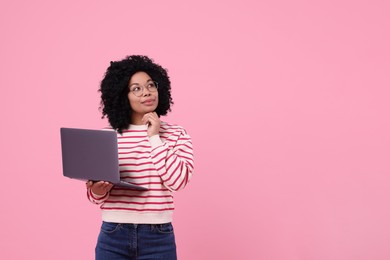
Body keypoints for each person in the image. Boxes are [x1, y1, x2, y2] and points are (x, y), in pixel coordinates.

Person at [86, 55, 194, 260]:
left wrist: (154, 137)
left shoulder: (176, 134)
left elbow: (178, 181)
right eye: (136, 88)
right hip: (113, 235)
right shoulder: (107, 136)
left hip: (158, 236)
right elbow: (95, 196)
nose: (146, 92)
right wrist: (97, 190)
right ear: (121, 95)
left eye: (151, 85)